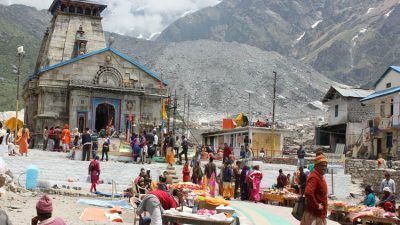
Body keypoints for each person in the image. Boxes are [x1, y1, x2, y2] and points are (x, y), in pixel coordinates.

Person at [300, 153, 328, 225]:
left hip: (319, 214)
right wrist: (317, 205)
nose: (324, 168)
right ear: (316, 166)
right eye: (322, 165)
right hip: (314, 215)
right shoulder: (314, 177)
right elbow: (308, 193)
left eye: (325, 166)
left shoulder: (320, 176)